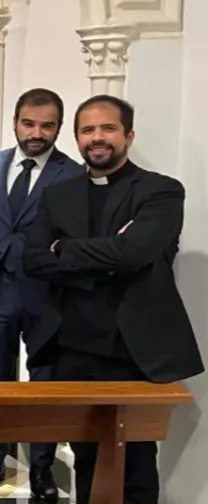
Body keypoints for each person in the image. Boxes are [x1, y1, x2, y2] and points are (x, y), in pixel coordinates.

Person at [25, 95, 203, 504]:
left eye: (108, 128)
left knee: (138, 458)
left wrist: (65, 250)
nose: (97, 138)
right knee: (85, 453)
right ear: (77, 139)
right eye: (87, 130)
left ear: (128, 135)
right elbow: (33, 261)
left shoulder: (160, 190)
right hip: (72, 345)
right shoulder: (58, 195)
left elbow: (136, 252)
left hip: (134, 350)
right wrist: (108, 255)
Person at [0, 88, 81, 497]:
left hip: (47, 290)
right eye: (29, 123)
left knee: (44, 382)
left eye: (47, 125)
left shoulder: (72, 173)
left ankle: (41, 467)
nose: (37, 133)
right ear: (15, 122)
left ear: (58, 128)